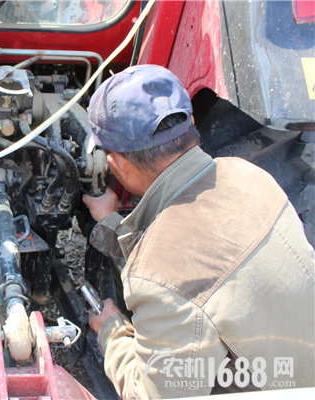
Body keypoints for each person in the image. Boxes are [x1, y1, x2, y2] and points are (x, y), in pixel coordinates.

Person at [82, 65, 314, 398]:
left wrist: (112, 333)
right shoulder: (250, 176)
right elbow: (195, 262)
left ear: (117, 163)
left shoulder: (158, 275)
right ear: (190, 125)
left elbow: (150, 393)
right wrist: (111, 222)